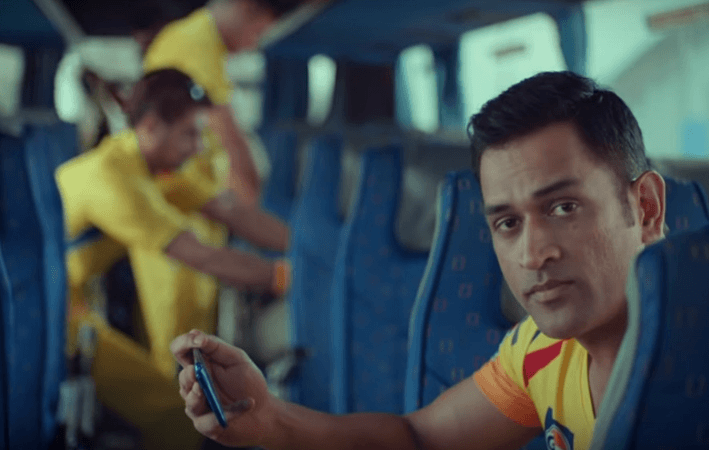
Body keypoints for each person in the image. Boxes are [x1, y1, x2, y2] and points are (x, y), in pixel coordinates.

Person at [170, 71, 668, 450]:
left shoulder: (707, 357)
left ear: (645, 208)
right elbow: (420, 437)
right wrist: (269, 418)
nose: (534, 254)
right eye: (507, 223)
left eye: (564, 208)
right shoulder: (538, 351)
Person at [56, 69, 291, 450]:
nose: (198, 149)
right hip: (54, 315)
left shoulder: (150, 166)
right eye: (189, 134)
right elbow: (204, 257)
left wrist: (310, 250)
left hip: (73, 305)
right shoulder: (112, 178)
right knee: (172, 410)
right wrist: (287, 278)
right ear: (151, 126)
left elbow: (229, 211)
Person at [142, 0, 315, 207]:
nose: (253, 45)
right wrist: (250, 212)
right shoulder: (194, 46)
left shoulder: (199, 43)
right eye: (258, 33)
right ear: (245, 7)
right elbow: (227, 146)